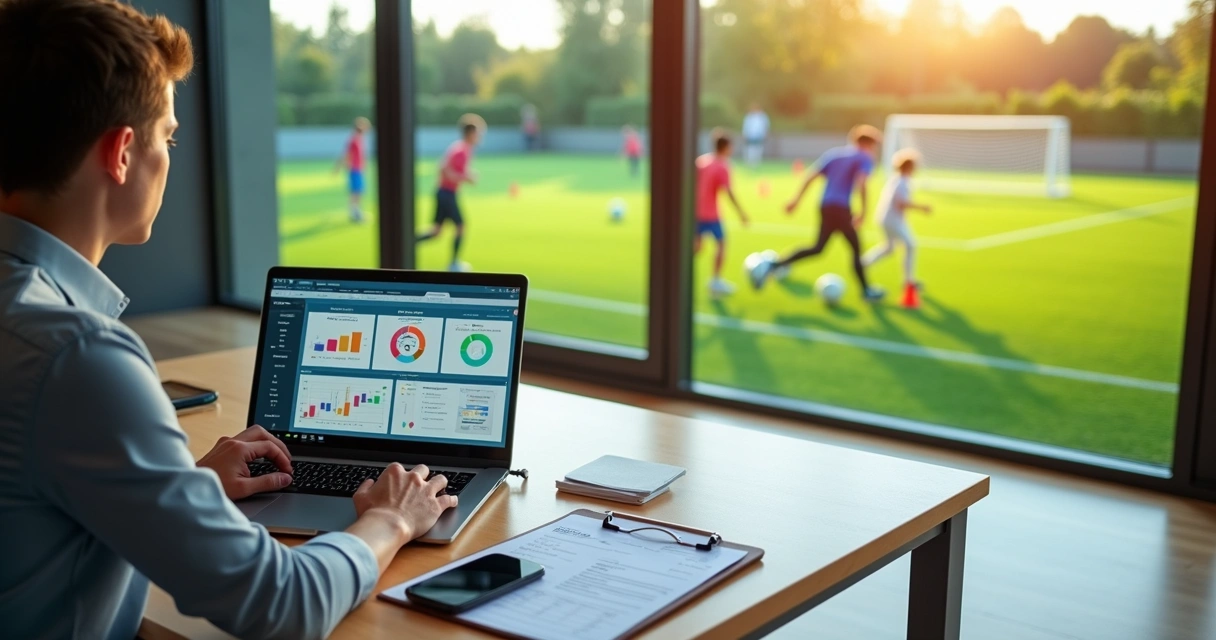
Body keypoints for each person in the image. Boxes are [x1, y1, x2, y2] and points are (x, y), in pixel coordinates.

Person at [0, 2, 456, 638]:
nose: (171, 155)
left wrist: (186, 489)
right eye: (169, 135)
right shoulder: (77, 357)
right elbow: (280, 606)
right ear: (123, 152)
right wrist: (391, 520)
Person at [751, 124, 885, 301]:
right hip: (841, 208)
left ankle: (773, 265)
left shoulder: (835, 154)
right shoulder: (864, 158)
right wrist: (864, 212)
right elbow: (862, 183)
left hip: (826, 205)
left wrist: (795, 200)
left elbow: (810, 176)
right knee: (855, 248)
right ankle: (866, 291)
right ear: (869, 144)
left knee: (818, 247)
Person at [416, 113, 485, 272]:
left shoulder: (460, 148)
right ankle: (454, 263)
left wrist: (464, 176)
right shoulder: (461, 150)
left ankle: (405, 244)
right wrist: (467, 177)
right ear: (470, 133)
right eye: (478, 132)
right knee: (460, 226)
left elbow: (446, 168)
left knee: (436, 232)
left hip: (445, 192)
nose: (480, 136)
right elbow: (444, 170)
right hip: (447, 193)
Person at [863, 149, 932, 291]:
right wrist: (922, 207)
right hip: (892, 220)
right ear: (909, 167)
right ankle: (909, 281)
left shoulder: (897, 179)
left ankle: (863, 263)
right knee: (910, 245)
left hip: (887, 218)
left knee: (889, 248)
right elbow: (901, 203)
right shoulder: (902, 181)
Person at [696, 130, 750, 296]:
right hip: (710, 214)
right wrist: (741, 213)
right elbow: (728, 192)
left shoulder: (701, 161)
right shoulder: (722, 166)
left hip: (695, 211)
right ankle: (715, 281)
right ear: (726, 147)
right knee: (721, 244)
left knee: (696, 247)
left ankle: (675, 272)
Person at [335, 116, 370, 223]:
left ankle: (356, 211)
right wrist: (338, 167)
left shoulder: (359, 139)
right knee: (356, 191)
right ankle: (354, 212)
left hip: (358, 169)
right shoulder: (354, 140)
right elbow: (346, 154)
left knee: (358, 191)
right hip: (355, 169)